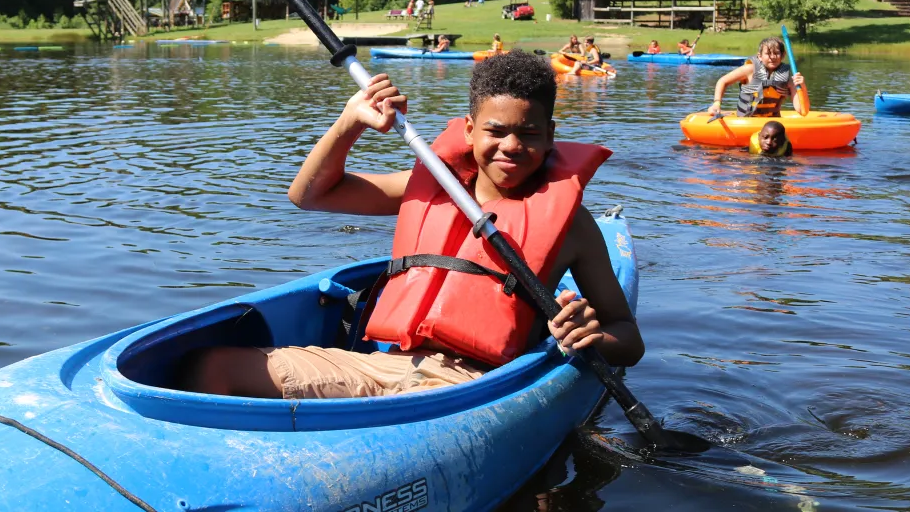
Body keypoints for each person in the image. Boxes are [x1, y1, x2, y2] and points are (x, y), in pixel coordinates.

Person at [181, 52, 645, 399]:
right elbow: (309, 195)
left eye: (528, 134)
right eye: (496, 130)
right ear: (468, 129)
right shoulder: (427, 188)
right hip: (380, 367)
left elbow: (628, 338)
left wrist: (590, 335)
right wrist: (350, 122)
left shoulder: (573, 225)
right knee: (212, 368)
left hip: (470, 389)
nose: (510, 146)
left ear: (550, 136)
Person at [707, 37, 806, 119]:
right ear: (760, 56)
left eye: (776, 53)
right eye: (768, 54)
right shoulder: (749, 70)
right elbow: (722, 81)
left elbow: (802, 111)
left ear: (783, 55)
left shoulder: (787, 78)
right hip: (747, 122)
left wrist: (802, 86)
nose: (772, 57)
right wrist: (717, 104)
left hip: (772, 127)